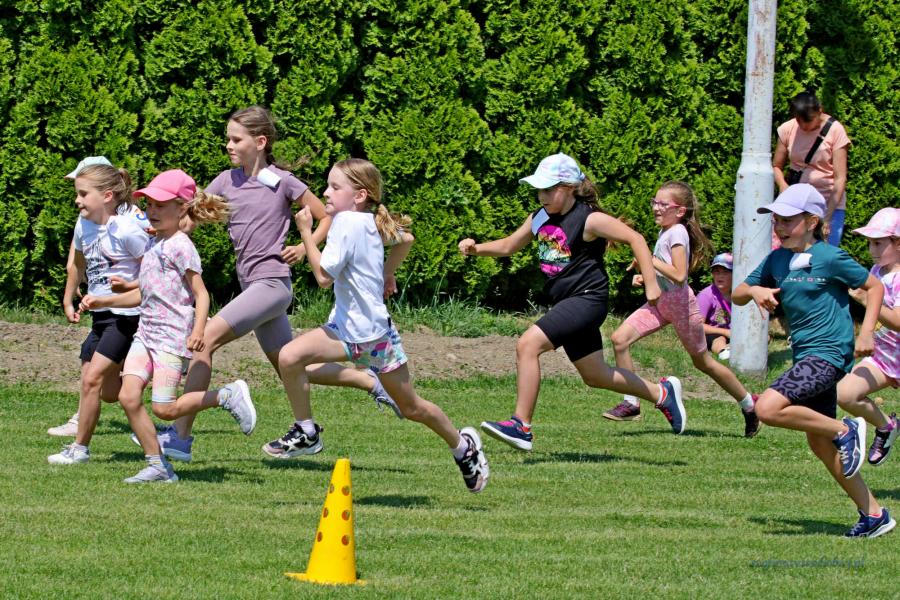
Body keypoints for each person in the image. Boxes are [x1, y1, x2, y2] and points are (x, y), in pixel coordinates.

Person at [150, 106, 399, 463]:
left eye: (236, 139)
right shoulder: (225, 181)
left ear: (260, 142)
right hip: (253, 287)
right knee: (292, 365)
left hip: (272, 285)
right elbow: (190, 218)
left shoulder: (284, 181)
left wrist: (303, 245)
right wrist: (163, 226)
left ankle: (180, 437)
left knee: (203, 342)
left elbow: (326, 216)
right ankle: (371, 382)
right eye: (227, 139)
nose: (228, 145)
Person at [275, 158, 489, 492]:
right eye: (327, 185)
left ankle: (464, 447)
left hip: (373, 337)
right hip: (345, 329)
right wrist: (388, 273)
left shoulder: (346, 223)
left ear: (359, 195)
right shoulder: (365, 221)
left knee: (411, 407)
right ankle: (307, 431)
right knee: (291, 359)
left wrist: (305, 233)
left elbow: (323, 278)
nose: (326, 193)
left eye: (334, 187)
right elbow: (407, 239)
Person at [460, 153, 686, 451]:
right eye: (538, 190)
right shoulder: (540, 217)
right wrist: (476, 249)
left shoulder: (589, 218)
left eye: (548, 189)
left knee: (527, 345)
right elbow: (508, 245)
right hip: (568, 301)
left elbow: (636, 239)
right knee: (595, 375)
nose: (541, 196)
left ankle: (521, 426)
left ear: (568, 188)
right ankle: (661, 394)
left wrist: (652, 283)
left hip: (587, 299)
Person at [733, 184, 894, 538]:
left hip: (830, 354)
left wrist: (866, 334)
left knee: (767, 408)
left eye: (787, 220)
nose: (779, 226)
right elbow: (738, 293)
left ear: (811, 222)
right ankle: (874, 514)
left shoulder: (830, 257)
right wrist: (756, 290)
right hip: (805, 355)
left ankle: (845, 429)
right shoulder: (776, 260)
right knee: (818, 443)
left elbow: (874, 288)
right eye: (776, 220)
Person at [79, 170, 252, 482]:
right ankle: (158, 465)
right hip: (145, 335)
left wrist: (198, 331)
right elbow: (144, 293)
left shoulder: (181, 246)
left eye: (161, 205)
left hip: (171, 340)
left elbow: (201, 294)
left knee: (165, 410)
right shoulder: (153, 243)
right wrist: (104, 300)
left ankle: (226, 396)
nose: (152, 211)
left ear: (182, 208)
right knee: (128, 397)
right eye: (149, 204)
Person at [604, 182, 759, 438]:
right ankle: (631, 402)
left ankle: (749, 404)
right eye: (655, 202)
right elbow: (665, 271)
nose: (656, 208)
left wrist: (648, 259)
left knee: (703, 362)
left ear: (680, 211)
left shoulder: (677, 232)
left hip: (681, 307)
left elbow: (679, 275)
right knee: (619, 339)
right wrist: (646, 275)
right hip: (660, 303)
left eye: (663, 204)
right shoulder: (666, 230)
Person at [48, 164, 149, 465]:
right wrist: (69, 299)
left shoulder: (127, 229)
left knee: (91, 379)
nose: (77, 200)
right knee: (107, 391)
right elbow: (78, 264)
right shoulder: (84, 225)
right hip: (101, 317)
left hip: (126, 317)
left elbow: (155, 272)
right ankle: (138, 372)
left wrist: (125, 289)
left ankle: (79, 449)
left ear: (106, 196)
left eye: (83, 194)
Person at [836, 207, 900, 466]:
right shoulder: (876, 271)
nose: (872, 249)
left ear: (898, 243)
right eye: (870, 242)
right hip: (884, 357)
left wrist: (867, 299)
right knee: (845, 394)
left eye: (878, 243)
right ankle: (886, 427)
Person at [773, 91, 851, 246]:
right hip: (795, 205)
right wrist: (782, 185)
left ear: (820, 111)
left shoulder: (835, 130)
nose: (803, 126)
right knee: (788, 251)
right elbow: (776, 166)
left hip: (827, 205)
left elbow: (840, 178)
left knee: (822, 253)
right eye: (799, 120)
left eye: (808, 120)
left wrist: (827, 217)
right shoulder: (787, 128)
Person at [696, 252, 733, 360]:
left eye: (725, 272)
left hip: (733, 333)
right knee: (720, 339)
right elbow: (697, 325)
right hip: (712, 333)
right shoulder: (706, 295)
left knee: (764, 337)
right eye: (716, 272)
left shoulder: (739, 294)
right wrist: (725, 332)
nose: (720, 276)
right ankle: (724, 352)